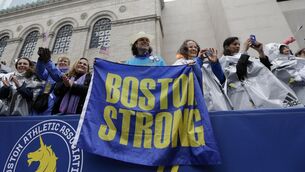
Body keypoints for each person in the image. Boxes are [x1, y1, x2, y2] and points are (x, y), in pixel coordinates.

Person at [219, 36, 301, 110]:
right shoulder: (225, 60)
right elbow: (239, 73)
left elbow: (266, 70)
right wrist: (244, 51)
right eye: (234, 44)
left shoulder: (246, 57)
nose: (238, 46)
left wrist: (260, 52)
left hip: (265, 93)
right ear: (227, 47)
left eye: (239, 44)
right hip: (246, 99)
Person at [173, 39, 232, 111]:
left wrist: (215, 63)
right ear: (184, 49)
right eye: (190, 47)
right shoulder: (180, 63)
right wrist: (199, 60)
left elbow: (221, 79)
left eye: (195, 47)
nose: (194, 49)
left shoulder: (206, 64)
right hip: (195, 102)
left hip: (216, 102)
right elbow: (190, 73)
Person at [34, 47, 71, 115]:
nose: (62, 62)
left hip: (57, 101)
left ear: (68, 65)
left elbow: (57, 75)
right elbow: (40, 73)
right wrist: (41, 60)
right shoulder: (49, 72)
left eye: (65, 61)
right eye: (60, 61)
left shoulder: (69, 74)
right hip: (44, 97)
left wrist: (47, 61)